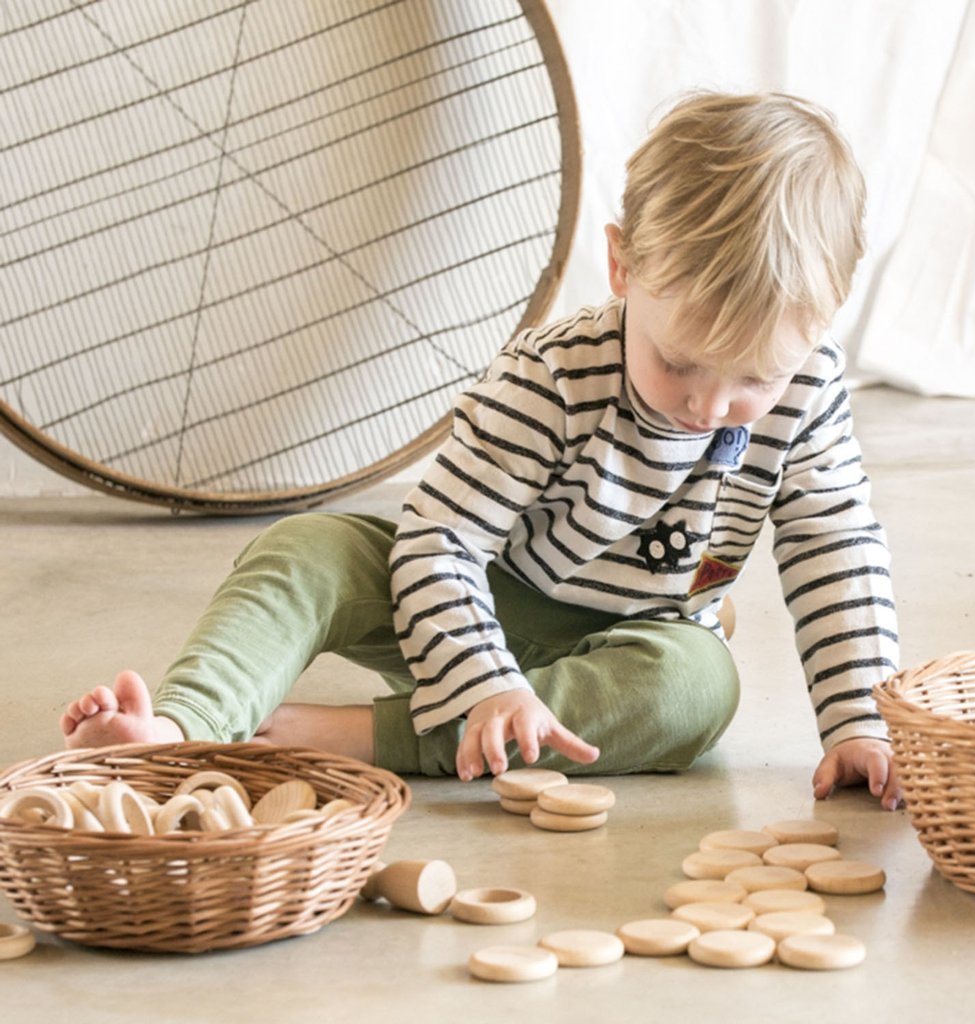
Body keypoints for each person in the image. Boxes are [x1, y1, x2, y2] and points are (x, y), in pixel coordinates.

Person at [60, 91, 902, 809]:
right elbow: (440, 543)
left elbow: (837, 549)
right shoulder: (552, 375)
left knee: (699, 688)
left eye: (753, 379)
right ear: (620, 266)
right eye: (678, 362)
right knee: (307, 549)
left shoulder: (809, 389)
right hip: (474, 591)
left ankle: (349, 737)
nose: (710, 407)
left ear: (823, 326)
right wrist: (486, 681)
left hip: (633, 637)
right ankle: (180, 731)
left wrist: (863, 721)